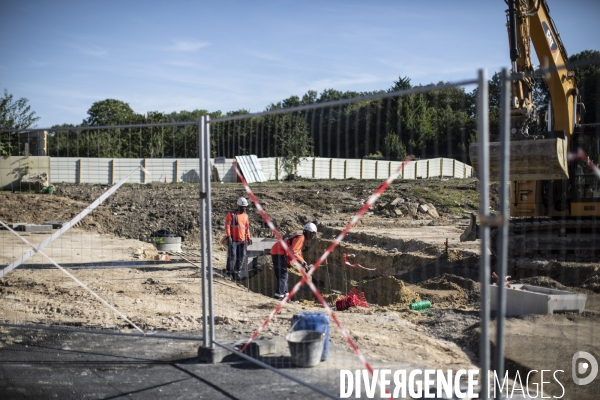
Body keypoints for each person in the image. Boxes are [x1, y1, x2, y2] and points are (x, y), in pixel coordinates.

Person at [269, 222, 317, 300]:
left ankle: (285, 295)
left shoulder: (300, 237)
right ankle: (279, 296)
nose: (312, 236)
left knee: (284, 275)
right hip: (278, 252)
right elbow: (294, 251)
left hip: (278, 251)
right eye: (312, 234)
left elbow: (297, 252)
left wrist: (292, 262)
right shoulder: (301, 238)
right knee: (282, 275)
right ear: (308, 232)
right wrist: (302, 262)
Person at [225, 197, 252, 279]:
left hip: (242, 240)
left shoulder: (245, 216)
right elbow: (227, 226)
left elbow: (247, 228)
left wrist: (248, 238)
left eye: (245, 207)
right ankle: (229, 272)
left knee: (241, 257)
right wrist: (228, 236)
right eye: (242, 207)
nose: (243, 209)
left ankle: (237, 272)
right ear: (238, 206)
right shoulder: (231, 214)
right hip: (233, 240)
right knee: (232, 256)